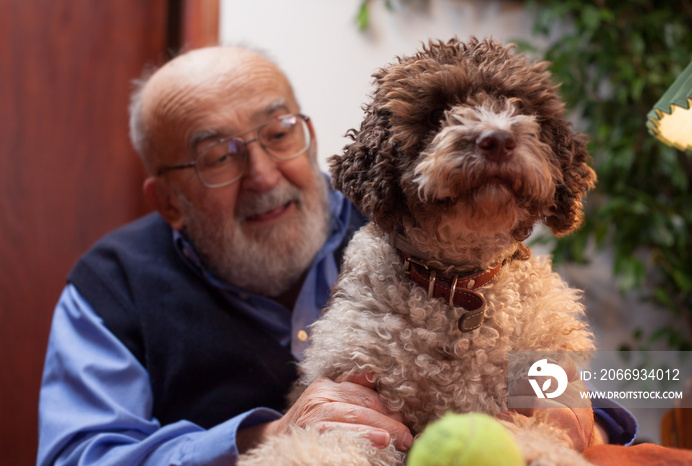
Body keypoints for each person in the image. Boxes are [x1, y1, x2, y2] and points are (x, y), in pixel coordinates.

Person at [37, 45, 636, 465]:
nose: (264, 175)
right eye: (218, 157)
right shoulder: (109, 286)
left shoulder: (413, 215)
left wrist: (580, 413)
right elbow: (76, 454)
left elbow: (630, 381)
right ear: (168, 200)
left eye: (278, 134)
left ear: (309, 131)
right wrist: (257, 437)